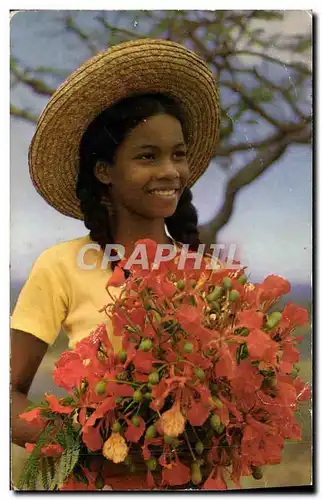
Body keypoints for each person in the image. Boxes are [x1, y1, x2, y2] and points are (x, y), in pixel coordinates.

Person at [10, 38, 221, 490]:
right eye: (148, 156)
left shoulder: (213, 276)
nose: (171, 171)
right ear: (104, 170)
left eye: (178, 154)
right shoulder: (62, 265)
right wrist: (83, 445)